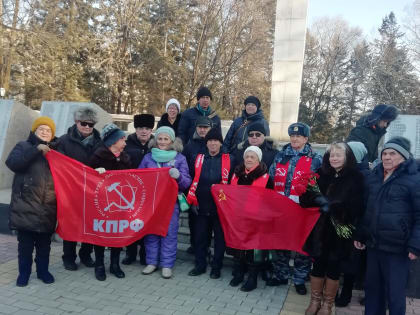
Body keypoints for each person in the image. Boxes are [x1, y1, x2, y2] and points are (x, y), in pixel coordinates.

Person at [354, 137, 420, 315]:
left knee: (394, 294)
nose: (387, 157)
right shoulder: (375, 176)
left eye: (393, 153)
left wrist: (415, 245)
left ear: (404, 157)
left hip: (398, 249)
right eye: (384, 153)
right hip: (375, 245)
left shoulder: (414, 180)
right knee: (373, 290)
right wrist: (361, 234)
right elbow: (367, 209)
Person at [300, 142, 364, 315]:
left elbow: (357, 207)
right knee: (318, 266)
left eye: (338, 155)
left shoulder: (356, 177)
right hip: (319, 231)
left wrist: (335, 208)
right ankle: (315, 301)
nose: (334, 158)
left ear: (347, 157)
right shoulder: (321, 174)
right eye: (331, 155)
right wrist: (317, 200)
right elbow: (305, 199)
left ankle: (328, 304)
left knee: (334, 268)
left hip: (340, 233)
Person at [268, 122, 322, 295]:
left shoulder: (315, 158)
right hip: (282, 209)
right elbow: (270, 177)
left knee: (302, 247)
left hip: (303, 210)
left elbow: (320, 183)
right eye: (292, 136)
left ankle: (299, 279)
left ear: (306, 138)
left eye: (298, 136)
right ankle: (281, 275)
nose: (294, 139)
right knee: (281, 243)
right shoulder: (281, 155)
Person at [6, 116, 58, 286]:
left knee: (44, 246)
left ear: (52, 135)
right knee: (25, 247)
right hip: (25, 206)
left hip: (48, 207)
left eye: (48, 130)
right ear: (34, 131)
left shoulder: (56, 152)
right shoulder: (23, 146)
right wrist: (36, 150)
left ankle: (43, 271)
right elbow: (13, 163)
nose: (44, 132)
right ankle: (24, 274)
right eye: (41, 129)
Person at [139, 126, 191, 278]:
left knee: (169, 233)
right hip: (152, 203)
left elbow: (186, 182)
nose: (162, 142)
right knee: (151, 232)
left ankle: (167, 265)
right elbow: (140, 179)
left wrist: (179, 176)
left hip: (170, 203)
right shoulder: (148, 158)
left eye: (165, 139)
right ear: (155, 140)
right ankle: (152, 262)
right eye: (160, 139)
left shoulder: (180, 158)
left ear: (172, 141)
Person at [57, 106, 102, 271]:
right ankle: (68, 257)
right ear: (77, 122)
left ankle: (85, 254)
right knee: (71, 224)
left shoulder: (100, 141)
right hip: (71, 190)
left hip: (92, 191)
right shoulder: (63, 140)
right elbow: (59, 163)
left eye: (91, 124)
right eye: (84, 123)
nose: (87, 127)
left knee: (90, 224)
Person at [187, 128, 234, 279]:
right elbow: (190, 179)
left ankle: (216, 267)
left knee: (219, 239)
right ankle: (200, 265)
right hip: (200, 204)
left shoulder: (230, 159)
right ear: (206, 143)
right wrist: (192, 201)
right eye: (210, 141)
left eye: (216, 141)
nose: (213, 143)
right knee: (200, 238)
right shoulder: (197, 158)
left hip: (220, 207)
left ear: (220, 143)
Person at [89, 123, 131, 281]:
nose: (125, 143)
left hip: (120, 203)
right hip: (102, 202)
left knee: (117, 234)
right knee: (101, 233)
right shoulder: (98, 156)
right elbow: (86, 175)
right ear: (113, 141)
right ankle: (99, 265)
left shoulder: (126, 158)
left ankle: (115, 264)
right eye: (122, 139)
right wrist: (95, 172)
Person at [229, 146, 274, 292]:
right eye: (247, 156)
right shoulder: (236, 175)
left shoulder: (266, 178)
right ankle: (239, 273)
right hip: (238, 218)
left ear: (258, 160)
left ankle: (252, 278)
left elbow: (270, 200)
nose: (248, 159)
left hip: (256, 220)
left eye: (252, 157)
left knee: (254, 250)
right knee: (239, 247)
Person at [335, 141, 370, 307]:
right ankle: (337, 291)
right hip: (339, 222)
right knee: (339, 259)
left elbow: (363, 204)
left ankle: (346, 293)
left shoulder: (362, 175)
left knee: (349, 262)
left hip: (353, 224)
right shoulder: (340, 172)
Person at [122, 114, 155, 266]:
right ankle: (130, 253)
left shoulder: (156, 145)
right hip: (130, 192)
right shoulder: (127, 144)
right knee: (130, 223)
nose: (144, 131)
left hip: (149, 193)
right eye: (141, 128)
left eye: (147, 128)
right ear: (135, 129)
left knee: (146, 224)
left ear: (151, 130)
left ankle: (144, 254)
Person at [182, 116, 213, 254]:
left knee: (206, 221)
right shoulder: (190, 144)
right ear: (196, 128)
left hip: (207, 187)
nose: (202, 130)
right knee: (193, 218)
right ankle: (194, 244)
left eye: (205, 127)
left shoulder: (214, 142)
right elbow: (185, 163)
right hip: (192, 187)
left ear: (210, 128)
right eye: (200, 127)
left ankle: (205, 246)